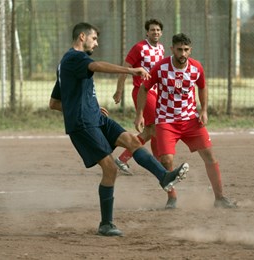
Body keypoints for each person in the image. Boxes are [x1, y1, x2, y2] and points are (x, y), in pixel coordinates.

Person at [49, 23, 189, 237]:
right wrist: (131, 70)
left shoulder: (65, 63)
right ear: (82, 37)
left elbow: (54, 103)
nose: (96, 43)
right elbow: (97, 66)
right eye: (94, 39)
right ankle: (106, 224)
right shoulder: (74, 58)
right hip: (83, 124)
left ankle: (164, 177)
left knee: (133, 142)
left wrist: (86, 104)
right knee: (110, 169)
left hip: (95, 117)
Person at [134, 33, 237, 209]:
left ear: (190, 50)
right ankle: (172, 198)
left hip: (190, 120)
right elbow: (144, 89)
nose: (182, 53)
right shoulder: (161, 67)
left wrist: (203, 110)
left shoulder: (196, 68)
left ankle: (219, 198)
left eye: (186, 50)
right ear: (172, 49)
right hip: (166, 121)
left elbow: (203, 87)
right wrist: (139, 114)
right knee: (166, 160)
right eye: (179, 49)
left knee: (210, 156)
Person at [113, 18, 164, 175]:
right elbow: (124, 69)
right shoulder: (139, 48)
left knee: (152, 129)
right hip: (142, 91)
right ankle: (158, 163)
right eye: (152, 30)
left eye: (158, 30)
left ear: (161, 33)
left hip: (156, 92)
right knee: (156, 127)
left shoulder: (161, 48)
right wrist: (119, 90)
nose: (155, 32)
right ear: (147, 32)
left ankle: (123, 159)